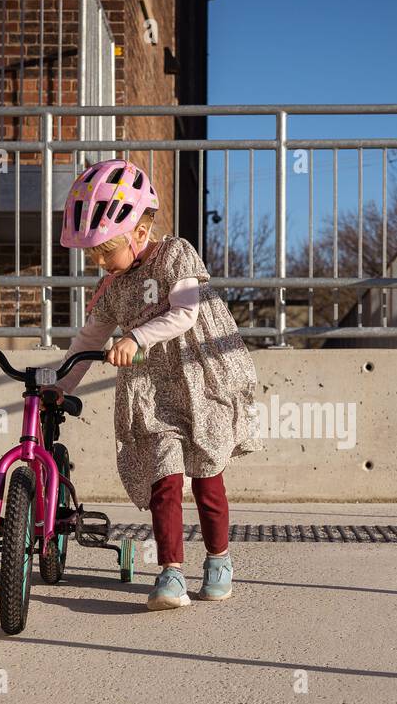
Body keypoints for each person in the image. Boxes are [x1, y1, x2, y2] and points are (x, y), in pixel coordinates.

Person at [47, 158, 260, 610]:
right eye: (94, 255)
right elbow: (89, 338)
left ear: (140, 234)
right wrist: (64, 384)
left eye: (106, 251)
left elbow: (186, 312)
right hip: (152, 390)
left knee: (207, 477)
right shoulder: (112, 286)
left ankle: (219, 560)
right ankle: (170, 573)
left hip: (198, 379)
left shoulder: (176, 255)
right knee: (165, 477)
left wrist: (136, 336)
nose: (100, 262)